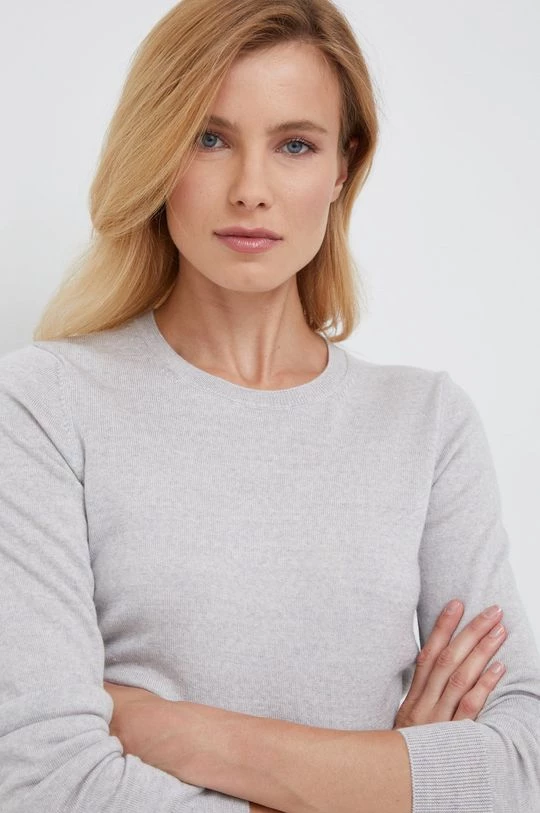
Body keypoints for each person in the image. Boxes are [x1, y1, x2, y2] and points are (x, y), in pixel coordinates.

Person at [0, 0, 539, 811]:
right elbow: (49, 780)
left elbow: (521, 767)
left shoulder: (427, 422)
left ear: (342, 168)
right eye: (209, 138)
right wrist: (385, 774)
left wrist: (172, 728)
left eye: (295, 145)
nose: (250, 190)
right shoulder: (45, 406)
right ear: (157, 150)